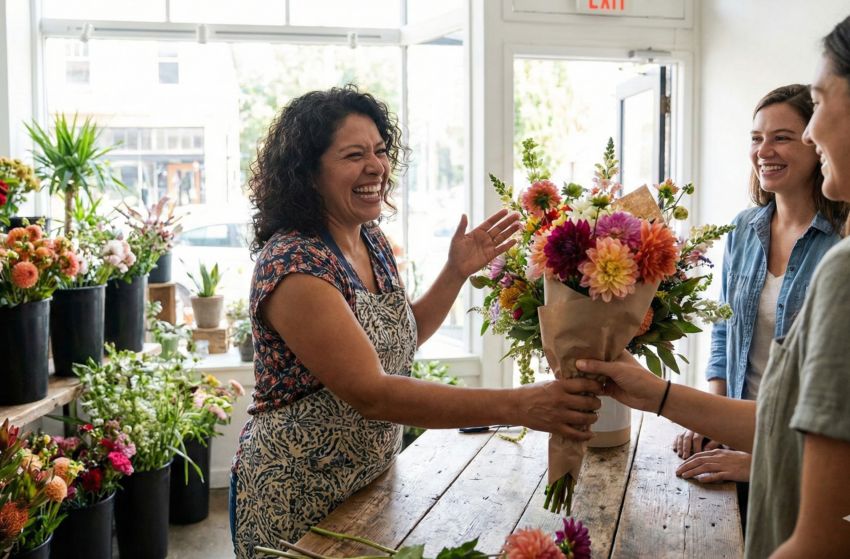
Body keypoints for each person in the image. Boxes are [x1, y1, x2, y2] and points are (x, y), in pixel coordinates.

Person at [578, 1, 850, 556]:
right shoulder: (752, 229)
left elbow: (842, 536)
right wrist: (660, 394)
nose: (813, 132)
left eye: (819, 104)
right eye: (758, 137)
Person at [231, 85, 603, 558]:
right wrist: (520, 405)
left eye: (381, 151)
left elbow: (398, 339)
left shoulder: (371, 241)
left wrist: (454, 272)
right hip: (295, 494)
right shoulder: (294, 264)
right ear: (308, 172)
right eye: (353, 154)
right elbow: (371, 391)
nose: (376, 167)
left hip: (367, 481)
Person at [672, 85, 849, 526]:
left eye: (782, 137)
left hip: (799, 460)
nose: (763, 151)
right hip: (733, 438)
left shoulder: (848, 240)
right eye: (756, 138)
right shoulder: (743, 228)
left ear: (815, 144)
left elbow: (843, 390)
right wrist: (711, 416)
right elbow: (722, 329)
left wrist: (759, 461)